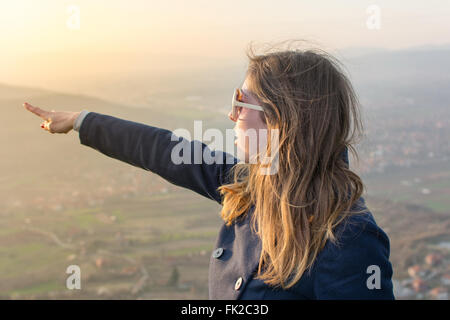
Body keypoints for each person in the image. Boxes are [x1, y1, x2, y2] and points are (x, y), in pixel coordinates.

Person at [23, 44, 394, 299]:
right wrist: (82, 122)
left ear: (284, 117)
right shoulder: (254, 185)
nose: (231, 115)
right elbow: (164, 151)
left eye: (240, 102)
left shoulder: (348, 237)